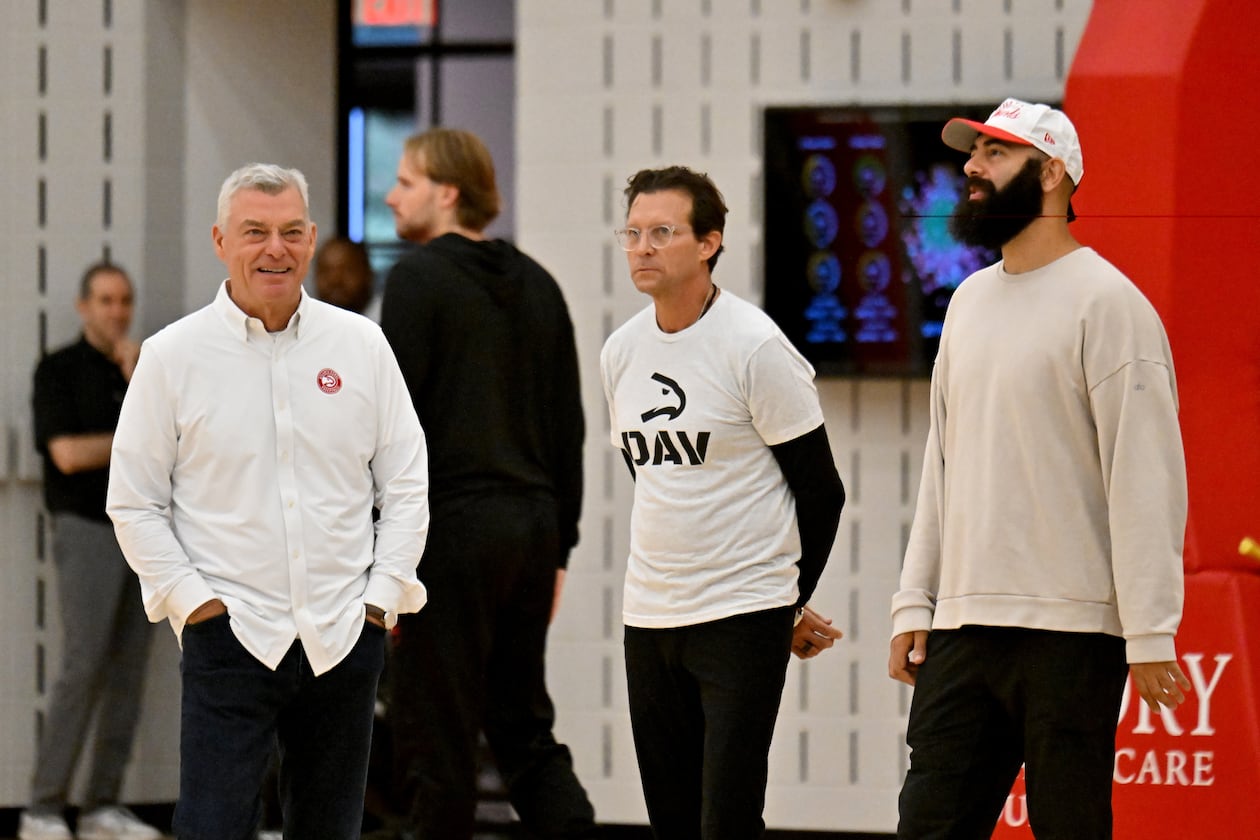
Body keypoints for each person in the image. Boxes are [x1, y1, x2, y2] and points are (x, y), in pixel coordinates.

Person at [888, 99, 1191, 839]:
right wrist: (913, 602)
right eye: (973, 154)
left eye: (995, 154)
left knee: (1070, 826)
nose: (971, 169)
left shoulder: (1110, 305)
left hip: (1072, 634)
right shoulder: (966, 303)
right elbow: (942, 465)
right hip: (962, 628)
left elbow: (1145, 479)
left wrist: (1151, 633)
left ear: (1052, 173)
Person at [106, 163, 430, 840]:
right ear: (221, 240)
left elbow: (405, 481)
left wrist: (381, 598)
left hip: (344, 636)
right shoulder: (172, 357)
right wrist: (195, 604)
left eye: (289, 232)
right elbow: (134, 503)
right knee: (214, 828)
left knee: (329, 829)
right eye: (255, 232)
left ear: (311, 240)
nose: (273, 248)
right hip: (228, 636)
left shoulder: (362, 346)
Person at [600, 165, 846, 839]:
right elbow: (653, 477)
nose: (642, 247)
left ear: (708, 243)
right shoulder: (620, 353)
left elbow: (823, 492)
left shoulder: (754, 345)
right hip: (649, 616)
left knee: (727, 817)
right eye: (633, 233)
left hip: (742, 615)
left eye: (662, 233)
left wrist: (785, 603)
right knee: (671, 820)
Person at [377, 127, 598, 840]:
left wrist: (381, 551)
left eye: (404, 181)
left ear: (446, 191)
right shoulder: (540, 282)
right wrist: (559, 547)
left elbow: (394, 423)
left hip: (450, 533)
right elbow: (570, 429)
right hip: (531, 531)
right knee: (522, 727)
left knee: (435, 738)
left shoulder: (415, 278)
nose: (390, 194)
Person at [23, 263, 161, 840]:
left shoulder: (146, 372)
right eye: (105, 300)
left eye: (125, 300)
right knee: (84, 668)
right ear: (84, 307)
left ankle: (103, 804)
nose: (117, 311)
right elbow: (69, 455)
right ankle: (44, 808)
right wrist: (133, 433)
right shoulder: (58, 369)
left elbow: (175, 446)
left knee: (130, 673)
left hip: (147, 532)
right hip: (88, 529)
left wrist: (138, 384)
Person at [314, 235, 379, 319]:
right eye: (325, 271)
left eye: (348, 270)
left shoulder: (389, 320)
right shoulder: (305, 324)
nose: (334, 280)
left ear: (368, 274)